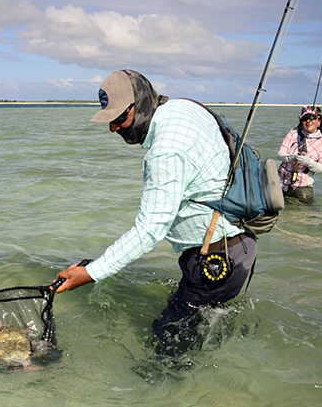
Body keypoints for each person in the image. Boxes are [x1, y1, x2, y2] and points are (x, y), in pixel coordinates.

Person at [55, 69, 258, 356]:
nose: (113, 128)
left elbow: (150, 230)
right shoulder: (183, 107)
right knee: (197, 340)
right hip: (239, 246)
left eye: (118, 118)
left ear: (140, 105)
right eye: (109, 119)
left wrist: (91, 273)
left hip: (217, 261)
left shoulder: (166, 150)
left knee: (164, 352)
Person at [277, 106, 322, 204]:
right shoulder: (293, 132)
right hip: (280, 185)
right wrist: (293, 158)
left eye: (312, 118)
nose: (309, 121)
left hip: (302, 190)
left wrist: (308, 162)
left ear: (319, 122)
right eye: (305, 118)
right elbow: (279, 155)